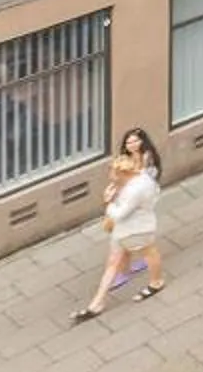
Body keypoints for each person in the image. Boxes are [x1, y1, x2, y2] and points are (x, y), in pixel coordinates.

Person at [68, 137, 166, 324]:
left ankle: (156, 282)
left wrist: (108, 203)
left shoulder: (135, 190)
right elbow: (156, 193)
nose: (111, 176)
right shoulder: (139, 181)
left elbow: (119, 214)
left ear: (123, 173)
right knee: (113, 263)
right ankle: (96, 304)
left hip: (137, 229)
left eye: (113, 173)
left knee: (150, 253)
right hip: (125, 231)